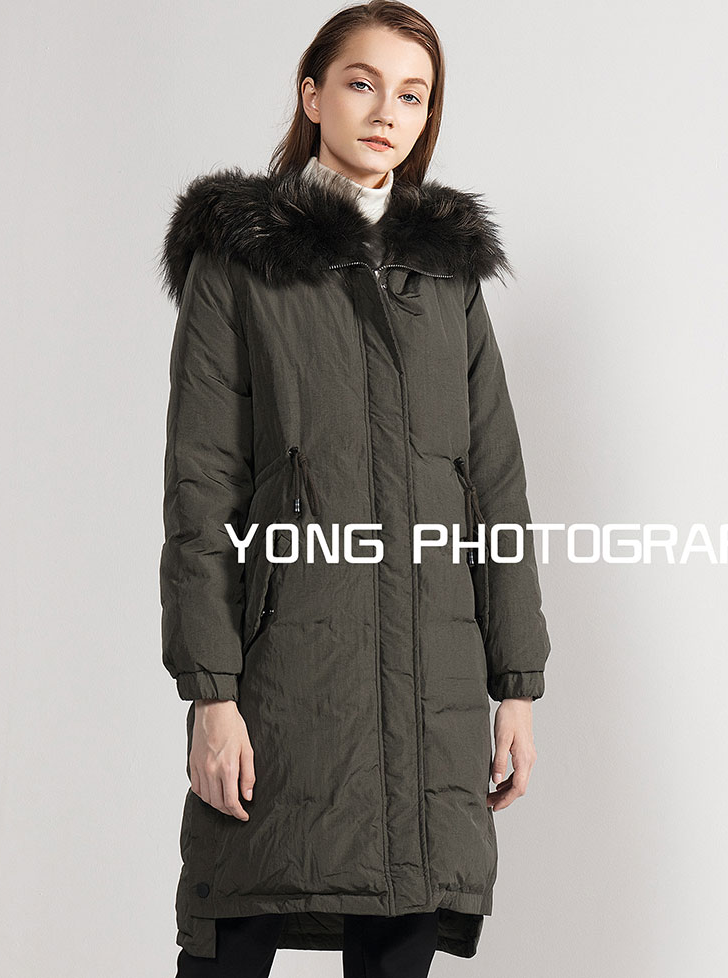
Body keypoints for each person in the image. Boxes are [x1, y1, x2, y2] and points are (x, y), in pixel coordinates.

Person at [158, 3, 551, 975]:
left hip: (434, 693)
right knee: (232, 934)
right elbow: (202, 492)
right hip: (287, 681)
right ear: (313, 94)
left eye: (413, 96)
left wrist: (516, 686)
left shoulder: (445, 276)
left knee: (399, 939)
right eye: (363, 83)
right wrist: (211, 696)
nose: (387, 113)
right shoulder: (240, 261)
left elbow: (494, 488)